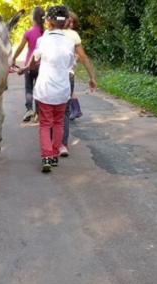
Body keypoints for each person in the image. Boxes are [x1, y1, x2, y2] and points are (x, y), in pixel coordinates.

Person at [17, 5, 95, 173]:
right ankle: (54, 156)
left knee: (45, 124)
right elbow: (69, 64)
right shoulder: (70, 42)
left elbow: (33, 61)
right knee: (58, 122)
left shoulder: (42, 40)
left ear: (48, 22)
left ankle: (46, 157)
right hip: (62, 91)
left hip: (45, 90)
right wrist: (91, 78)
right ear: (66, 21)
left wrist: (25, 68)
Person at [59, 11, 96, 157]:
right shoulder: (73, 36)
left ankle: (49, 145)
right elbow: (84, 56)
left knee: (51, 110)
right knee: (65, 111)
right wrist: (92, 77)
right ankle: (63, 144)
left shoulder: (48, 34)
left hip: (50, 77)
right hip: (68, 76)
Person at [11, 6, 45, 122]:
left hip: (29, 65)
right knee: (39, 89)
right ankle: (38, 113)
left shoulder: (29, 32)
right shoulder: (46, 33)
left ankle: (29, 109)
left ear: (33, 18)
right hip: (42, 66)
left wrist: (14, 58)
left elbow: (20, 47)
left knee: (29, 88)